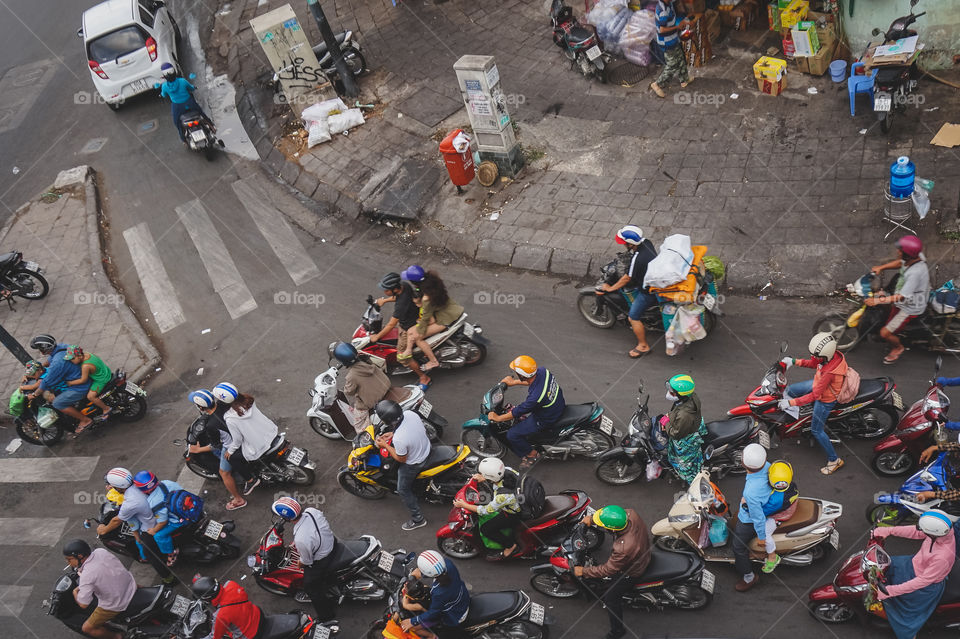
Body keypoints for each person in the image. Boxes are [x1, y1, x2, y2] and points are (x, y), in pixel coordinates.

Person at [871, 510, 957, 639]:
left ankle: (909, 635)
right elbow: (916, 532)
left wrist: (891, 591)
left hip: (924, 586)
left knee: (906, 618)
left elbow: (922, 581)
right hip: (912, 564)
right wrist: (888, 530)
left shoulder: (942, 557)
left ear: (934, 534)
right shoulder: (941, 532)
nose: (923, 532)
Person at [574, 505, 652, 639]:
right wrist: (592, 519)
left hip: (632, 571)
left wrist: (584, 571)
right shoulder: (631, 514)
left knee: (610, 598)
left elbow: (608, 569)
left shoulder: (623, 547)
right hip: (643, 550)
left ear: (612, 529)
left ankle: (617, 631)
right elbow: (613, 516)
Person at [779, 333, 848, 475]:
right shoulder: (829, 357)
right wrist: (793, 361)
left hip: (825, 399)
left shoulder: (829, 372)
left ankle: (834, 460)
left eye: (816, 356)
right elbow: (814, 363)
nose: (813, 358)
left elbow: (816, 395)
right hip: (819, 383)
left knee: (816, 430)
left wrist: (790, 403)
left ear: (825, 356)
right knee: (790, 390)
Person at [487, 356, 566, 470]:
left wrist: (498, 418)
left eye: (516, 372)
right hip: (558, 404)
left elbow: (518, 411)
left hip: (546, 418)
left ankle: (532, 454)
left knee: (512, 434)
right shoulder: (544, 371)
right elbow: (533, 381)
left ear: (522, 375)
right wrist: (514, 382)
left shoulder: (535, 398)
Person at [96, 468, 174, 583]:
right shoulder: (140, 484)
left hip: (153, 525)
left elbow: (116, 521)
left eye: (112, 486)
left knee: (149, 553)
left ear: (118, 487)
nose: (110, 487)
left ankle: (169, 579)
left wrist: (103, 530)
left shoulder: (130, 503)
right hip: (167, 512)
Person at [865, 235, 931, 365]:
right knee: (884, 302)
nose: (898, 252)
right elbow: (900, 263)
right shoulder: (916, 257)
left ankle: (898, 347)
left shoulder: (915, 273)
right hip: (904, 294)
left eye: (900, 251)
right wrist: (881, 267)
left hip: (909, 306)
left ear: (908, 254)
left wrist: (877, 301)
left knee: (884, 333)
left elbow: (901, 297)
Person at [272, 497, 338, 622]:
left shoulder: (301, 538)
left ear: (287, 519)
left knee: (310, 586)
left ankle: (327, 616)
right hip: (331, 542)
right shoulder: (311, 511)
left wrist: (299, 564)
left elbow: (307, 561)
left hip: (324, 558)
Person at [597, 225, 659, 358]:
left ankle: (643, 346)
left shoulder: (638, 258)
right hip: (654, 277)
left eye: (625, 243)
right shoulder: (647, 242)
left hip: (648, 291)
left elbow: (627, 278)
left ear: (631, 244)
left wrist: (610, 288)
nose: (624, 245)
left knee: (633, 317)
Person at [63, 539, 136, 639]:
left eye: (69, 559)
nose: (68, 562)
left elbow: (84, 604)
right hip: (130, 585)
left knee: (87, 628)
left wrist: (75, 592)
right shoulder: (100, 551)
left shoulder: (87, 575)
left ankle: (118, 636)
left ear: (79, 556)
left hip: (117, 602)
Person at [376, 400, 432, 530]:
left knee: (402, 489)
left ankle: (418, 519)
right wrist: (393, 434)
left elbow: (400, 459)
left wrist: (385, 445)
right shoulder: (410, 414)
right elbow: (409, 430)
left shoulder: (399, 439)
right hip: (426, 447)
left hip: (416, 462)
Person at [369, 272, 431, 389]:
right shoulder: (404, 286)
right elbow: (396, 297)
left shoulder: (401, 306)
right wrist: (385, 301)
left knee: (402, 356)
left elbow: (391, 324)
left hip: (409, 326)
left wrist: (376, 337)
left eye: (386, 290)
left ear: (395, 289)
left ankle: (424, 377)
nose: (384, 292)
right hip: (414, 315)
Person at [215, 381, 278, 496]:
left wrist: (230, 451)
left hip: (258, 445)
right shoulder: (248, 400)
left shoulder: (230, 418)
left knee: (231, 458)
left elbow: (237, 440)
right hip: (270, 432)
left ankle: (251, 480)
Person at [188, 389, 247, 510]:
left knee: (224, 473)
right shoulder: (222, 405)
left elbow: (216, 445)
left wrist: (198, 450)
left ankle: (238, 499)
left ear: (201, 407)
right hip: (243, 434)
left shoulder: (211, 425)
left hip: (232, 446)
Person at [452, 457, 521, 560]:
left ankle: (510, 546)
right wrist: (485, 478)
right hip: (518, 497)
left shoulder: (502, 496)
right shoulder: (508, 470)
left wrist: (463, 505)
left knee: (486, 529)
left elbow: (485, 510)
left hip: (513, 514)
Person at [27, 333, 93, 433]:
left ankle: (85, 420)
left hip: (79, 386)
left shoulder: (58, 362)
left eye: (40, 349)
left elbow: (46, 382)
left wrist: (34, 394)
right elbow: (49, 361)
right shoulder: (61, 347)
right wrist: (39, 368)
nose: (40, 351)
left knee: (57, 403)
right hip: (80, 375)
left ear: (44, 349)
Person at [401, 551, 470, 639]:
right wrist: (421, 573)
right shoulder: (448, 564)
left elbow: (433, 613)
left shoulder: (438, 592)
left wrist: (412, 621)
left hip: (456, 614)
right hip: (462, 597)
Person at [731, 443, 771, 592]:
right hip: (759, 504)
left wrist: (762, 536)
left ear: (742, 464)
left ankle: (749, 576)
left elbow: (757, 517)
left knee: (737, 547)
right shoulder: (768, 466)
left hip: (748, 520)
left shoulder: (751, 493)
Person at [406, 269, 464, 372]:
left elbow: (426, 318)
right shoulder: (433, 281)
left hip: (445, 318)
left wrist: (419, 331)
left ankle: (433, 361)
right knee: (410, 331)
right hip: (450, 308)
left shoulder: (426, 298)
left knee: (417, 338)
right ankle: (409, 350)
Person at [334, 341, 392, 434]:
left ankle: (366, 439)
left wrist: (346, 387)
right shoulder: (366, 359)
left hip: (373, 401)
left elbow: (349, 392)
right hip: (386, 387)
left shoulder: (352, 375)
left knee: (358, 423)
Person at [133, 470, 185, 567]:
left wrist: (153, 530)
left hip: (178, 521)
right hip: (188, 507)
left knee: (159, 536)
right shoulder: (167, 483)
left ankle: (171, 553)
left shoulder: (153, 502)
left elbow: (163, 522)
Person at [663, 374, 707, 484]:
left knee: (684, 464)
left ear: (682, 396)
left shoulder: (684, 415)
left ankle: (691, 481)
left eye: (672, 392)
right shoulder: (691, 397)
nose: (669, 393)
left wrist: (666, 423)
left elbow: (676, 433)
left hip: (686, 438)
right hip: (692, 424)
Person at [759, 461, 799, 574]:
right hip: (789, 505)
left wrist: (748, 509)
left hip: (780, 515)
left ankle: (772, 557)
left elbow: (763, 512)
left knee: (764, 533)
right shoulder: (789, 483)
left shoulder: (776, 501)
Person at [192, 576, 262, 639]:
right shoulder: (231, 584)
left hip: (249, 635)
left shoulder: (220, 616)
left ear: (208, 598)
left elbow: (214, 637)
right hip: (257, 614)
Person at [158, 62, 211, 143]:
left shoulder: (164, 86)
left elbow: (164, 95)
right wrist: (194, 87)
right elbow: (191, 88)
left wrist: (161, 95)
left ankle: (184, 140)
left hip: (178, 107)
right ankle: (211, 126)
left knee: (177, 123)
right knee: (201, 114)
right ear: (174, 71)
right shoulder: (182, 81)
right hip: (190, 103)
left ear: (164, 76)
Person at [650, 0, 692, 98]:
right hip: (667, 42)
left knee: (680, 57)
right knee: (672, 65)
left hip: (673, 39)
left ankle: (684, 79)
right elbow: (661, 30)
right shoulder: (663, 11)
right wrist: (677, 27)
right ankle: (657, 84)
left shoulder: (669, 4)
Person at [64, 345, 113, 417]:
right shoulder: (87, 354)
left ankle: (106, 408)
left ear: (80, 356)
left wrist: (70, 383)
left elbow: (83, 380)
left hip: (102, 380)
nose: (71, 361)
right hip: (106, 371)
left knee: (90, 397)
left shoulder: (85, 366)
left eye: (72, 359)